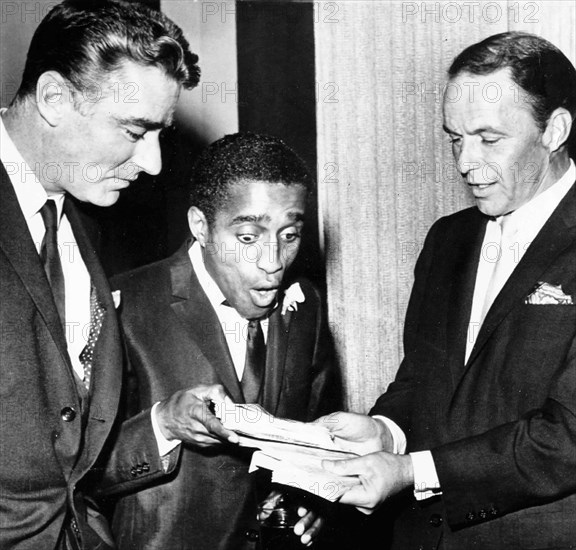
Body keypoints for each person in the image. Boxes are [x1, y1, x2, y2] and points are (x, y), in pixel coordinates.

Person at [318, 32, 576, 549]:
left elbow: (567, 437)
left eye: (488, 138)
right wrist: (386, 431)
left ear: (555, 130)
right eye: (456, 139)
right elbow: (423, 379)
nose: (464, 162)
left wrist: (412, 470)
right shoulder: (448, 239)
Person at [0, 2, 238, 549]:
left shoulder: (89, 218)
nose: (153, 163)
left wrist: (164, 424)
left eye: (160, 133)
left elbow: (65, 460)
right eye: (134, 130)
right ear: (56, 98)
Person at [110, 132, 342, 550]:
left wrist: (311, 494)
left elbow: (318, 432)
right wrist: (162, 425)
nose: (273, 264)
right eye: (249, 237)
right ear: (201, 226)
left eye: (289, 236)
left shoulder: (307, 304)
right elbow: (73, 473)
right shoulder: (123, 307)